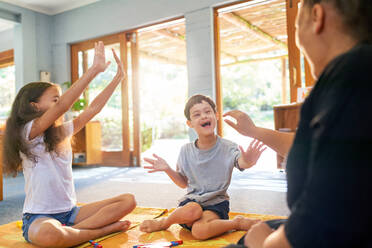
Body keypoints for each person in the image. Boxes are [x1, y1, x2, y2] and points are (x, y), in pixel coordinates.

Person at [223, 0, 372, 247]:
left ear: (317, 15)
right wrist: (253, 131)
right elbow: (321, 151)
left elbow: (323, 217)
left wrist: (261, 243)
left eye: (294, 27)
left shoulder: (353, 72)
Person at [2, 41, 136, 248]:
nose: (60, 104)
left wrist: (118, 78)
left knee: (128, 201)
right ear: (34, 105)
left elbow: (92, 109)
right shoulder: (27, 131)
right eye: (54, 100)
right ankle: (102, 230)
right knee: (50, 234)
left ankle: (73, 234)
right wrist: (93, 71)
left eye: (58, 100)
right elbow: (66, 104)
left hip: (72, 213)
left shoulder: (59, 133)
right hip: (39, 216)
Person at [139, 94, 266, 240]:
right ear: (190, 123)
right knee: (193, 210)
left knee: (199, 231)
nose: (204, 116)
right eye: (197, 114)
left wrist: (249, 160)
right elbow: (182, 183)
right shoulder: (185, 150)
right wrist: (167, 169)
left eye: (207, 112)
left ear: (216, 115)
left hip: (216, 204)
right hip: (191, 205)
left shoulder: (228, 147)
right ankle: (164, 222)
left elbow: (242, 162)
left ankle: (237, 223)